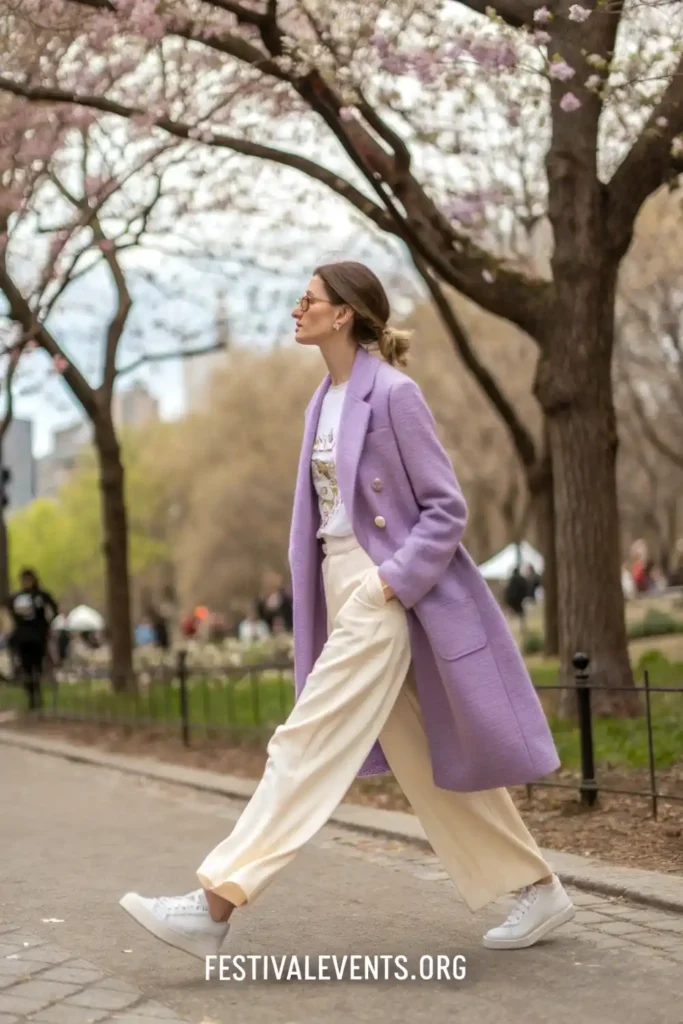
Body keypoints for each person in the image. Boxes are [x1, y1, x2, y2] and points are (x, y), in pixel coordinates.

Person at [119, 260, 573, 961]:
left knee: (307, 738)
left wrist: (389, 584)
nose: (296, 308)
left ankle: (214, 904)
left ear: (345, 315)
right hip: (341, 585)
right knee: (422, 756)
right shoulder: (321, 399)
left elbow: (445, 508)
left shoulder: (393, 394)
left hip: (379, 588)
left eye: (309, 300)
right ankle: (536, 887)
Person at [6, 568, 58, 710]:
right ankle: (31, 698)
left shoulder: (41, 596)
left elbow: (54, 608)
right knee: (26, 667)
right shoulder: (16, 597)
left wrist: (46, 625)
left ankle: (38, 696)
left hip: (38, 637)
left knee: (38, 667)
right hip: (23, 639)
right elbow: (10, 611)